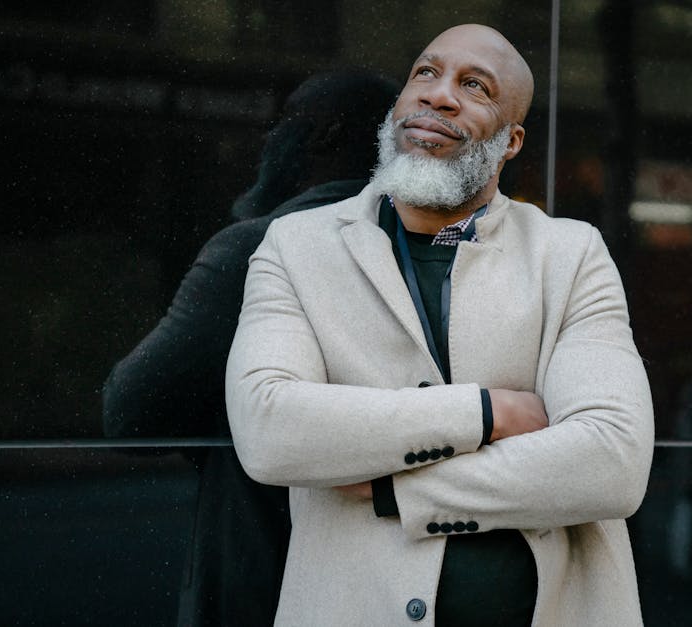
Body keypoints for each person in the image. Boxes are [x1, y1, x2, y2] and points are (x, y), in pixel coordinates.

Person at [226, 24, 654, 626]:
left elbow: (613, 461)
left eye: (473, 86)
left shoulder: (571, 254)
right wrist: (488, 413)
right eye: (425, 74)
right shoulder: (297, 246)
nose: (439, 95)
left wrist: (390, 489)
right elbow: (269, 430)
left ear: (511, 141)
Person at [102, 70, 399, 627]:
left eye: (284, 124)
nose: (269, 142)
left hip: (261, 583)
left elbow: (129, 413)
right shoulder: (421, 253)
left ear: (322, 134)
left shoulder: (255, 249)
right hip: (392, 588)